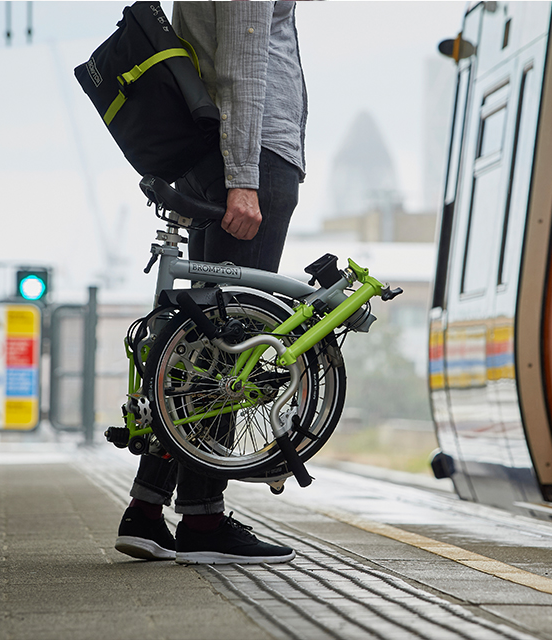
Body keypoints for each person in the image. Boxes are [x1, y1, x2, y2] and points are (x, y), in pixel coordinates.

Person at [114, 1, 308, 565]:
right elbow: (244, 65)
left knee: (197, 342)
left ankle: (148, 511)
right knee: (229, 350)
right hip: (250, 161)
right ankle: (202, 518)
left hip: (215, 156)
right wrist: (245, 181)